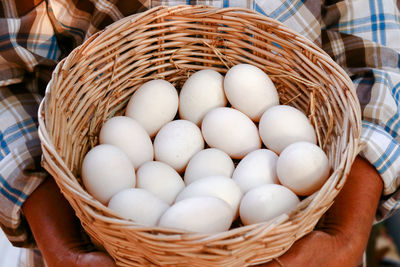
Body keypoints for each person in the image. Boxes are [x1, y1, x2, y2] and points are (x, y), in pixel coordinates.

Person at [0, 0, 399, 266]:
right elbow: (6, 79)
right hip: (100, 243)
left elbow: (382, 60)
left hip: (303, 245)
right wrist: (64, 250)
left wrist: (346, 237)